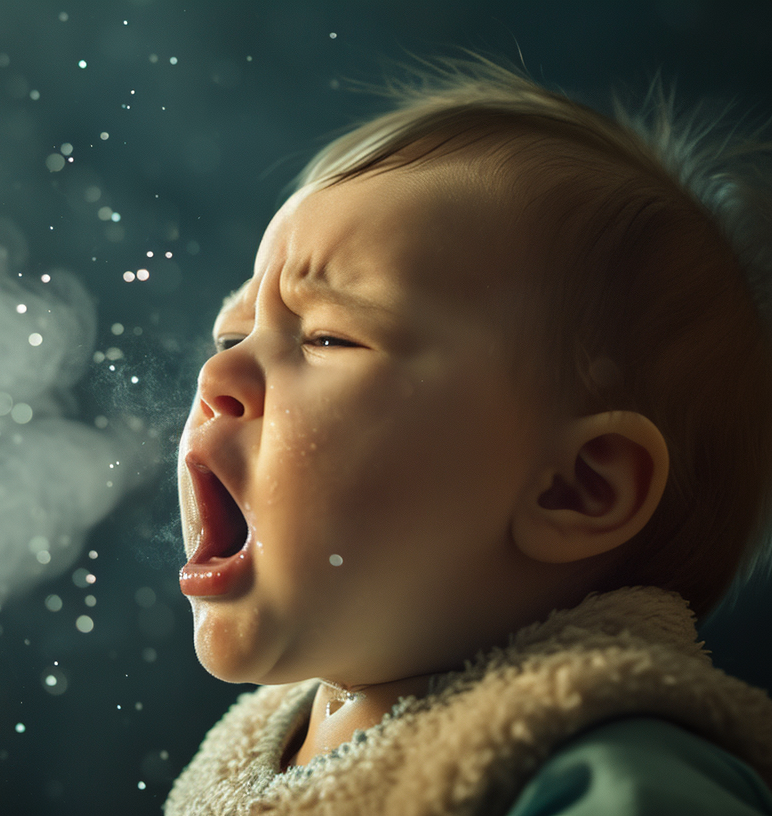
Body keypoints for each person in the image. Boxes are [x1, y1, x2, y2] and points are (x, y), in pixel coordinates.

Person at [165, 57, 772, 815]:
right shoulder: (258, 756)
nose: (218, 378)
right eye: (232, 335)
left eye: (325, 338)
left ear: (574, 488)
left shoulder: (602, 769)